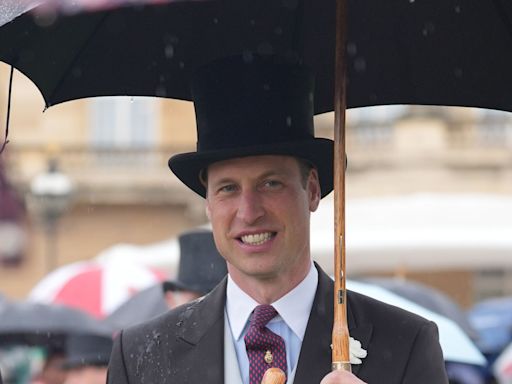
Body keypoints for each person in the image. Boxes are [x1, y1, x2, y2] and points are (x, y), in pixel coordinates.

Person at [108, 54, 448, 383]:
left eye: (271, 183)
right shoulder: (140, 357)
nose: (249, 211)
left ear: (312, 190)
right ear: (208, 203)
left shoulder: (406, 344)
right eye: (228, 188)